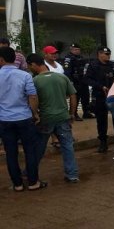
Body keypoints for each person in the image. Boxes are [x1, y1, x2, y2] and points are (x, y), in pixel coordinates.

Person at [27, 53, 80, 183]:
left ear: (34, 64)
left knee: (39, 147)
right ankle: (72, 174)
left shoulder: (35, 81)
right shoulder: (62, 77)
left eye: (29, 66)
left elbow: (34, 99)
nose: (29, 68)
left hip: (46, 118)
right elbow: (73, 95)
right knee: (67, 146)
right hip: (63, 117)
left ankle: (30, 173)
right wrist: (72, 113)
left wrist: (35, 115)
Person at [0, 46, 46, 191]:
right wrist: (35, 114)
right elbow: (32, 96)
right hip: (24, 118)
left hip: (4, 120)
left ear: (1, 60)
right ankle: (33, 182)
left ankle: (18, 184)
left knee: (11, 153)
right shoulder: (25, 75)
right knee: (30, 151)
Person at [83, 46, 114, 153]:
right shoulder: (93, 65)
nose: (108, 56)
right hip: (100, 95)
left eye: (109, 54)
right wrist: (100, 86)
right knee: (101, 120)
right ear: (99, 54)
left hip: (113, 95)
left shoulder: (113, 65)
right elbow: (87, 79)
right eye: (106, 54)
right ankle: (103, 142)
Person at [63, 43, 93, 120]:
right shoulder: (68, 59)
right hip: (75, 81)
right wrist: (70, 82)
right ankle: (74, 113)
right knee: (76, 97)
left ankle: (86, 112)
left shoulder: (81, 57)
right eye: (75, 49)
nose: (77, 51)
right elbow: (67, 72)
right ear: (71, 49)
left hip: (83, 80)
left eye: (78, 49)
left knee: (85, 97)